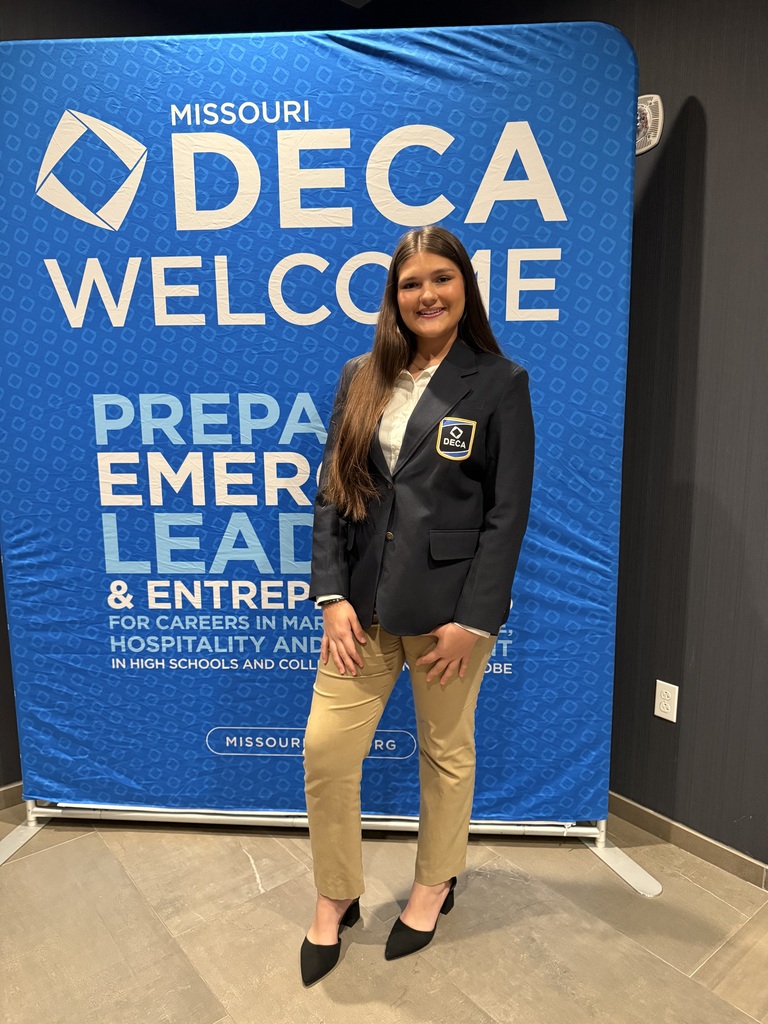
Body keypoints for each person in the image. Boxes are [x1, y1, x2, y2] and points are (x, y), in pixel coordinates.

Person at [300, 225, 535, 986]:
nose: (426, 294)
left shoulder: (499, 381)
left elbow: (507, 513)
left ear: (464, 287)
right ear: (393, 296)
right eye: (410, 283)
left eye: (441, 278)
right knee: (326, 751)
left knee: (445, 753)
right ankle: (336, 894)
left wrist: (475, 620)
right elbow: (336, 489)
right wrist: (332, 594)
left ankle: (436, 883)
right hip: (360, 610)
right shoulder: (360, 376)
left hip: (449, 620)